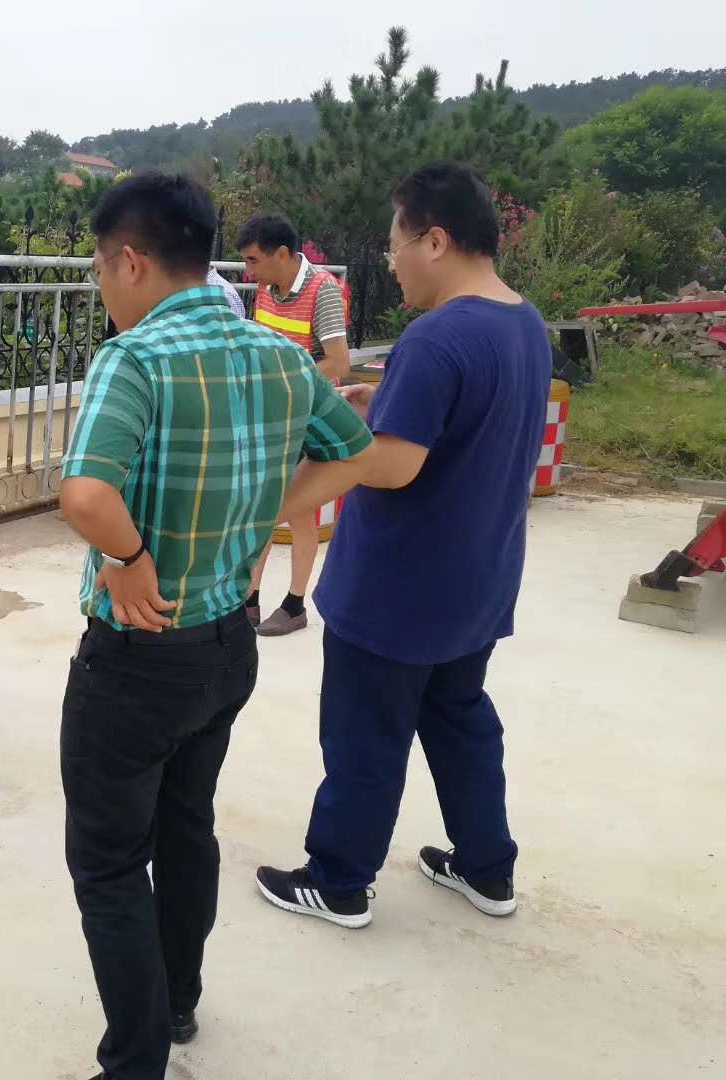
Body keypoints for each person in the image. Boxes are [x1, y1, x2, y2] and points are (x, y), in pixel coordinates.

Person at [57, 173, 372, 1080]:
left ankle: (136, 1060)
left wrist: (127, 556)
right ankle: (179, 1003)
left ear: (131, 261)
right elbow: (355, 453)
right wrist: (270, 507)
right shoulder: (277, 354)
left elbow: (86, 494)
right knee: (187, 827)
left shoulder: (136, 358)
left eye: (99, 269)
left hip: (138, 656)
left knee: (110, 863)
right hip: (229, 647)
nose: (102, 287)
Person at [255, 163, 552, 928]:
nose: (391, 263)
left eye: (396, 245)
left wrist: (275, 503)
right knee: (460, 722)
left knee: (365, 736)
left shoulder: (437, 337)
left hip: (397, 589)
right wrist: (376, 400)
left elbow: (392, 464)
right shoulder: (523, 322)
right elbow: (456, 424)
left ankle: (339, 880)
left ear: (437, 241)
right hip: (479, 579)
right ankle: (487, 869)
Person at [236, 213, 351, 635]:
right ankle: (249, 598)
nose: (248, 272)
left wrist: (287, 386)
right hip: (270, 417)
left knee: (298, 510)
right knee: (263, 507)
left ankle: (295, 603)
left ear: (281, 254)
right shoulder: (266, 290)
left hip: (306, 417)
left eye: (253, 260)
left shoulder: (323, 289)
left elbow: (338, 362)